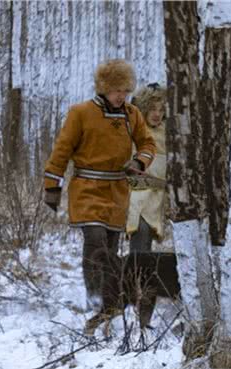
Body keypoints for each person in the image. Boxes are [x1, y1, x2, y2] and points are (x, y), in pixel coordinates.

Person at [43, 59, 156, 309]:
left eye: (126, 91)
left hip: (117, 191)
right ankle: (93, 296)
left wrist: (139, 162)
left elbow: (148, 144)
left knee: (111, 249)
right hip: (87, 187)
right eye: (118, 91)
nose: (122, 96)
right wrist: (52, 185)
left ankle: (109, 299)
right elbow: (62, 150)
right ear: (104, 88)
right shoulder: (80, 113)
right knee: (95, 240)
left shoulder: (132, 115)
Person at [126, 83, 168, 252]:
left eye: (161, 109)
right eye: (152, 109)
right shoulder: (135, 129)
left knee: (147, 234)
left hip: (157, 197)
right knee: (140, 231)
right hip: (134, 195)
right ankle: (134, 276)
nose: (157, 114)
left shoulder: (169, 133)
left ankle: (139, 276)